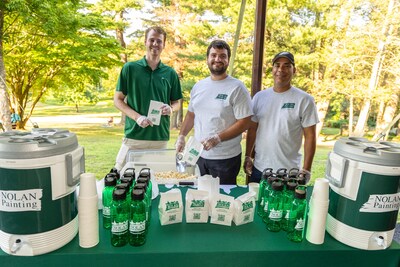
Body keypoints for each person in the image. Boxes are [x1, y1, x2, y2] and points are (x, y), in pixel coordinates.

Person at [175, 40, 253, 185]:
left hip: (225, 158)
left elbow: (245, 121)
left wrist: (218, 138)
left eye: (223, 56)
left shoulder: (237, 88)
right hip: (198, 155)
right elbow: (191, 114)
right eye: (214, 55)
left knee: (222, 201)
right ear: (207, 59)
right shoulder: (199, 86)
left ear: (228, 60)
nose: (218, 59)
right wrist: (181, 136)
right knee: (201, 197)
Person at [114, 26, 183, 171]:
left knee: (158, 180)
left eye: (159, 41)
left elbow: (177, 102)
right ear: (145, 41)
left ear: (163, 45)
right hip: (134, 137)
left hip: (160, 138)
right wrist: (137, 117)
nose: (155, 44)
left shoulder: (170, 73)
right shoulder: (130, 68)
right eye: (152, 40)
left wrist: (170, 109)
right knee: (121, 175)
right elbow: (118, 100)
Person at [244, 51, 319, 183]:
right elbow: (252, 130)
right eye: (277, 65)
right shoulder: (259, 97)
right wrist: (248, 156)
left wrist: (306, 169)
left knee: (285, 204)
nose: (281, 69)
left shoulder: (305, 100)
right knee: (256, 203)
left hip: (289, 173)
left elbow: (310, 137)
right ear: (272, 69)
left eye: (286, 66)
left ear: (294, 70)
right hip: (259, 169)